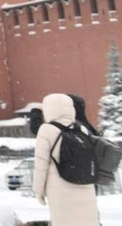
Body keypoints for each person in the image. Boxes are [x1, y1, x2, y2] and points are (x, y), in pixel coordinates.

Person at [33, 93, 100, 225]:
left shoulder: (46, 130)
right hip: (84, 185)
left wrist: (38, 190)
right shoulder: (81, 129)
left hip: (59, 187)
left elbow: (41, 164)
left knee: (64, 221)